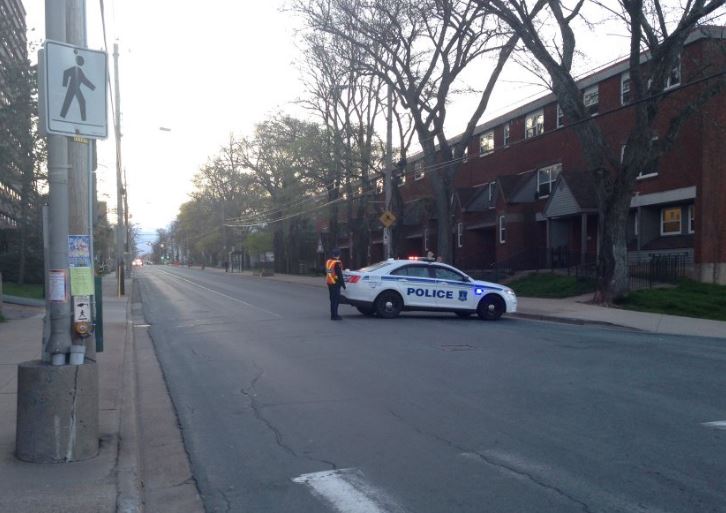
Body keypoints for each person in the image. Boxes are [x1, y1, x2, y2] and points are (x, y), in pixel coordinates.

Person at [325, 248, 346, 320]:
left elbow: (328, 271)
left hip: (329, 282)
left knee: (332, 299)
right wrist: (343, 285)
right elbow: (339, 275)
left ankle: (333, 314)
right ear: (338, 255)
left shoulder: (328, 261)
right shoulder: (337, 263)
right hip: (335, 283)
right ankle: (335, 316)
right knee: (336, 300)